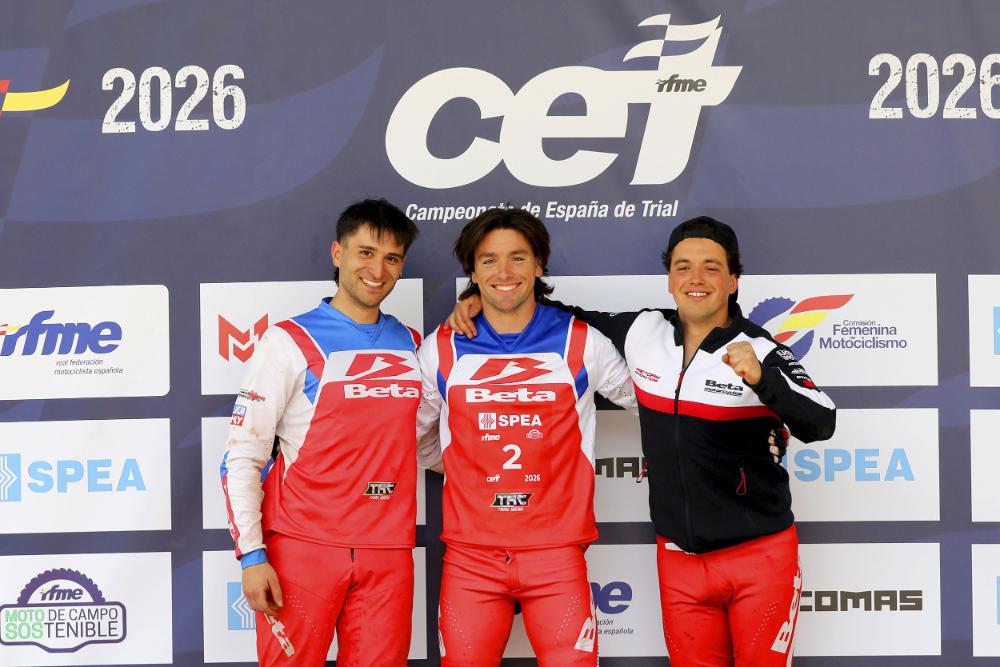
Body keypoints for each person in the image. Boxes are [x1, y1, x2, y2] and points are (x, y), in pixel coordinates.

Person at [447, 216, 836, 666]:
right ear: (669, 278)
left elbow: (821, 421)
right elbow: (551, 313)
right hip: (678, 560)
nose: (695, 278)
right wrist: (479, 297)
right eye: (683, 266)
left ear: (733, 280)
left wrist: (763, 380)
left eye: (711, 268)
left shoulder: (760, 348)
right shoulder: (643, 332)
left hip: (759, 555)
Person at [221, 198, 439, 666]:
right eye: (366, 253)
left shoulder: (413, 344)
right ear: (337, 253)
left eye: (392, 258)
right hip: (303, 547)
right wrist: (252, 556)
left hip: (387, 552)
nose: (377, 270)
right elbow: (242, 455)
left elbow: (423, 444)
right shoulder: (288, 340)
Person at [416, 207, 637, 666]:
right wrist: (464, 466)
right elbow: (418, 438)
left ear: (539, 265)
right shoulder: (441, 346)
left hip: (557, 556)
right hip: (471, 559)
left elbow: (653, 402)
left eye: (518, 258)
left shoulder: (582, 340)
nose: (504, 272)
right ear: (472, 271)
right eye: (489, 260)